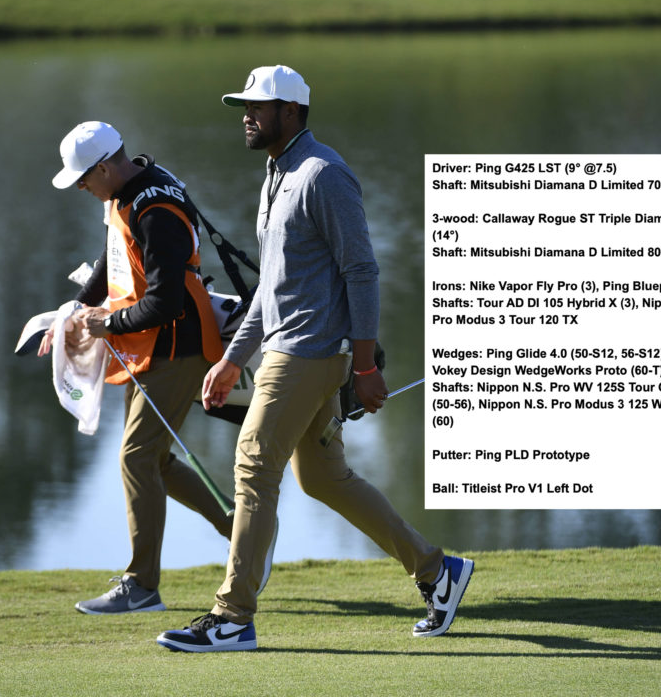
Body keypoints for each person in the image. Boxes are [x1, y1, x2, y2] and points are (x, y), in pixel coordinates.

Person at [156, 66, 473, 652]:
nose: (247, 114)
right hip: (286, 349)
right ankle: (436, 570)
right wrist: (231, 359)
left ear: (293, 112)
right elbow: (272, 293)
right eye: (244, 105)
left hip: (307, 355)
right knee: (323, 477)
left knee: (253, 464)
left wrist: (365, 363)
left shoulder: (323, 175)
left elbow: (362, 271)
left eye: (259, 105)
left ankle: (233, 616)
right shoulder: (277, 175)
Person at [44, 121, 243, 615]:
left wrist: (105, 324)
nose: (83, 189)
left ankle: (142, 585)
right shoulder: (127, 193)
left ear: (106, 167)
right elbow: (109, 262)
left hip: (178, 348)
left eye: (84, 179)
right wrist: (72, 310)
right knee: (151, 459)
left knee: (136, 458)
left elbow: (166, 302)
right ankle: (244, 529)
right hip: (152, 348)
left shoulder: (154, 208)